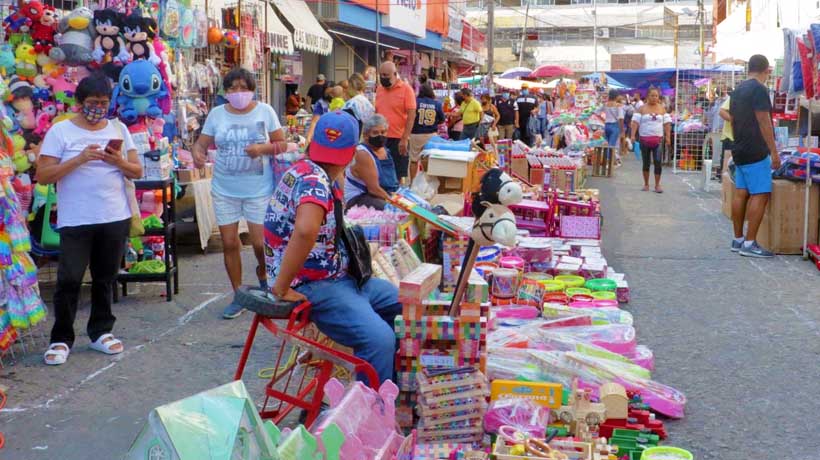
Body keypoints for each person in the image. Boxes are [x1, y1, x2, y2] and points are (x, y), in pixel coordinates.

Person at [266, 111, 402, 384]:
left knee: (405, 305)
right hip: (313, 283)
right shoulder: (314, 181)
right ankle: (369, 413)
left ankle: (390, 384)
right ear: (352, 152)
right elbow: (305, 230)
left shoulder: (313, 171)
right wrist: (281, 287)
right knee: (379, 339)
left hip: (338, 277)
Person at [37, 73, 143, 365]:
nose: (98, 108)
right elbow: (44, 175)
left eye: (104, 103)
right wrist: (79, 159)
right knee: (69, 278)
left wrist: (117, 161)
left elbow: (137, 170)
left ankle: (100, 332)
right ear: (79, 102)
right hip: (76, 218)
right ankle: (60, 338)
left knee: (105, 278)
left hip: (114, 215)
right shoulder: (61, 132)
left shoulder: (119, 128)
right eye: (93, 103)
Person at [193, 68, 288, 319]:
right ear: (225, 92)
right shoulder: (216, 114)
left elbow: (284, 144)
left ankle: (263, 275)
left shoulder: (265, 111)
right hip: (224, 189)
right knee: (229, 242)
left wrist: (262, 148)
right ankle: (238, 295)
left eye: (242, 87)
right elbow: (201, 143)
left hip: (258, 189)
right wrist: (198, 154)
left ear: (252, 89)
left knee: (259, 243)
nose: (238, 93)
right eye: (232, 88)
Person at [729, 54, 779, 258]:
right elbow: (764, 121)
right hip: (755, 149)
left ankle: (738, 239)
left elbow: (732, 120)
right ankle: (750, 244)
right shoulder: (759, 89)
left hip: (739, 147)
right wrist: (774, 151)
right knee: (761, 193)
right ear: (766, 70)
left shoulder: (738, 89)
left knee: (741, 192)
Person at [344, 114, 399, 210]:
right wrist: (395, 203)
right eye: (375, 133)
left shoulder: (384, 150)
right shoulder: (362, 154)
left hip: (381, 192)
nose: (380, 136)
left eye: (383, 132)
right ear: (366, 135)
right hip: (360, 197)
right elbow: (373, 189)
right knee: (393, 211)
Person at [375, 61, 417, 182]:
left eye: (386, 75)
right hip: (380, 137)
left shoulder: (406, 90)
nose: (383, 78)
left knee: (397, 173)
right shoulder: (379, 89)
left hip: (398, 138)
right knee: (380, 171)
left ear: (394, 74)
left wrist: (404, 138)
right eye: (381, 75)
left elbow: (411, 115)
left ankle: (395, 197)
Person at [631, 87, 671, 193]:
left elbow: (667, 124)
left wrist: (668, 137)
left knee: (658, 162)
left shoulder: (662, 109)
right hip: (644, 140)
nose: (654, 98)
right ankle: (646, 184)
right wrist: (632, 135)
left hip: (658, 140)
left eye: (656, 96)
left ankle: (657, 185)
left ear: (658, 97)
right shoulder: (641, 108)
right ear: (648, 96)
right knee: (646, 162)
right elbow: (635, 123)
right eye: (652, 95)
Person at [409, 83, 445, 178]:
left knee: (414, 160)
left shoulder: (415, 102)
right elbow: (442, 119)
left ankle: (413, 183)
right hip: (431, 135)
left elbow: (410, 117)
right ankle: (429, 182)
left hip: (416, 134)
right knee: (430, 160)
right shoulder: (437, 104)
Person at [602, 89, 625, 163]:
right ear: (616, 96)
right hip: (615, 126)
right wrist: (622, 130)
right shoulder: (619, 106)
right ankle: (609, 162)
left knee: (607, 144)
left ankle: (606, 161)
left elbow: (596, 112)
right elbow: (621, 118)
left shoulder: (605, 104)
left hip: (606, 126)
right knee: (612, 145)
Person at [716, 91, 734, 179]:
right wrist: (736, 121)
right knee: (727, 167)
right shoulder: (735, 97)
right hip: (730, 137)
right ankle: (725, 186)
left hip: (743, 138)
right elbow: (722, 112)